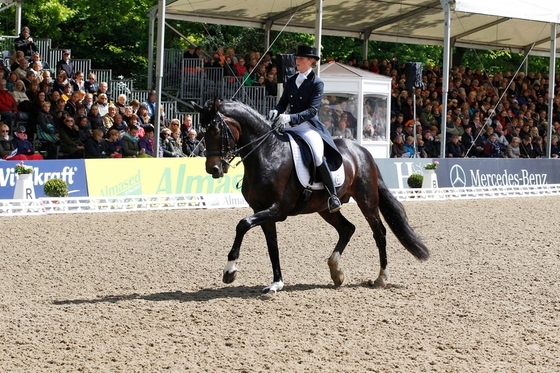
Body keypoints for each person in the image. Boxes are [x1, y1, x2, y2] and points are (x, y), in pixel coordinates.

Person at [268, 45, 343, 213]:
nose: (297, 61)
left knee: (317, 155)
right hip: (289, 124)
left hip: (308, 126)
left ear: (311, 61)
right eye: (297, 58)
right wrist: (277, 110)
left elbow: (312, 110)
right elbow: (283, 102)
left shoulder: (317, 83)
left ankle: (333, 196)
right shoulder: (291, 79)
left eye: (301, 59)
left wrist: (290, 117)